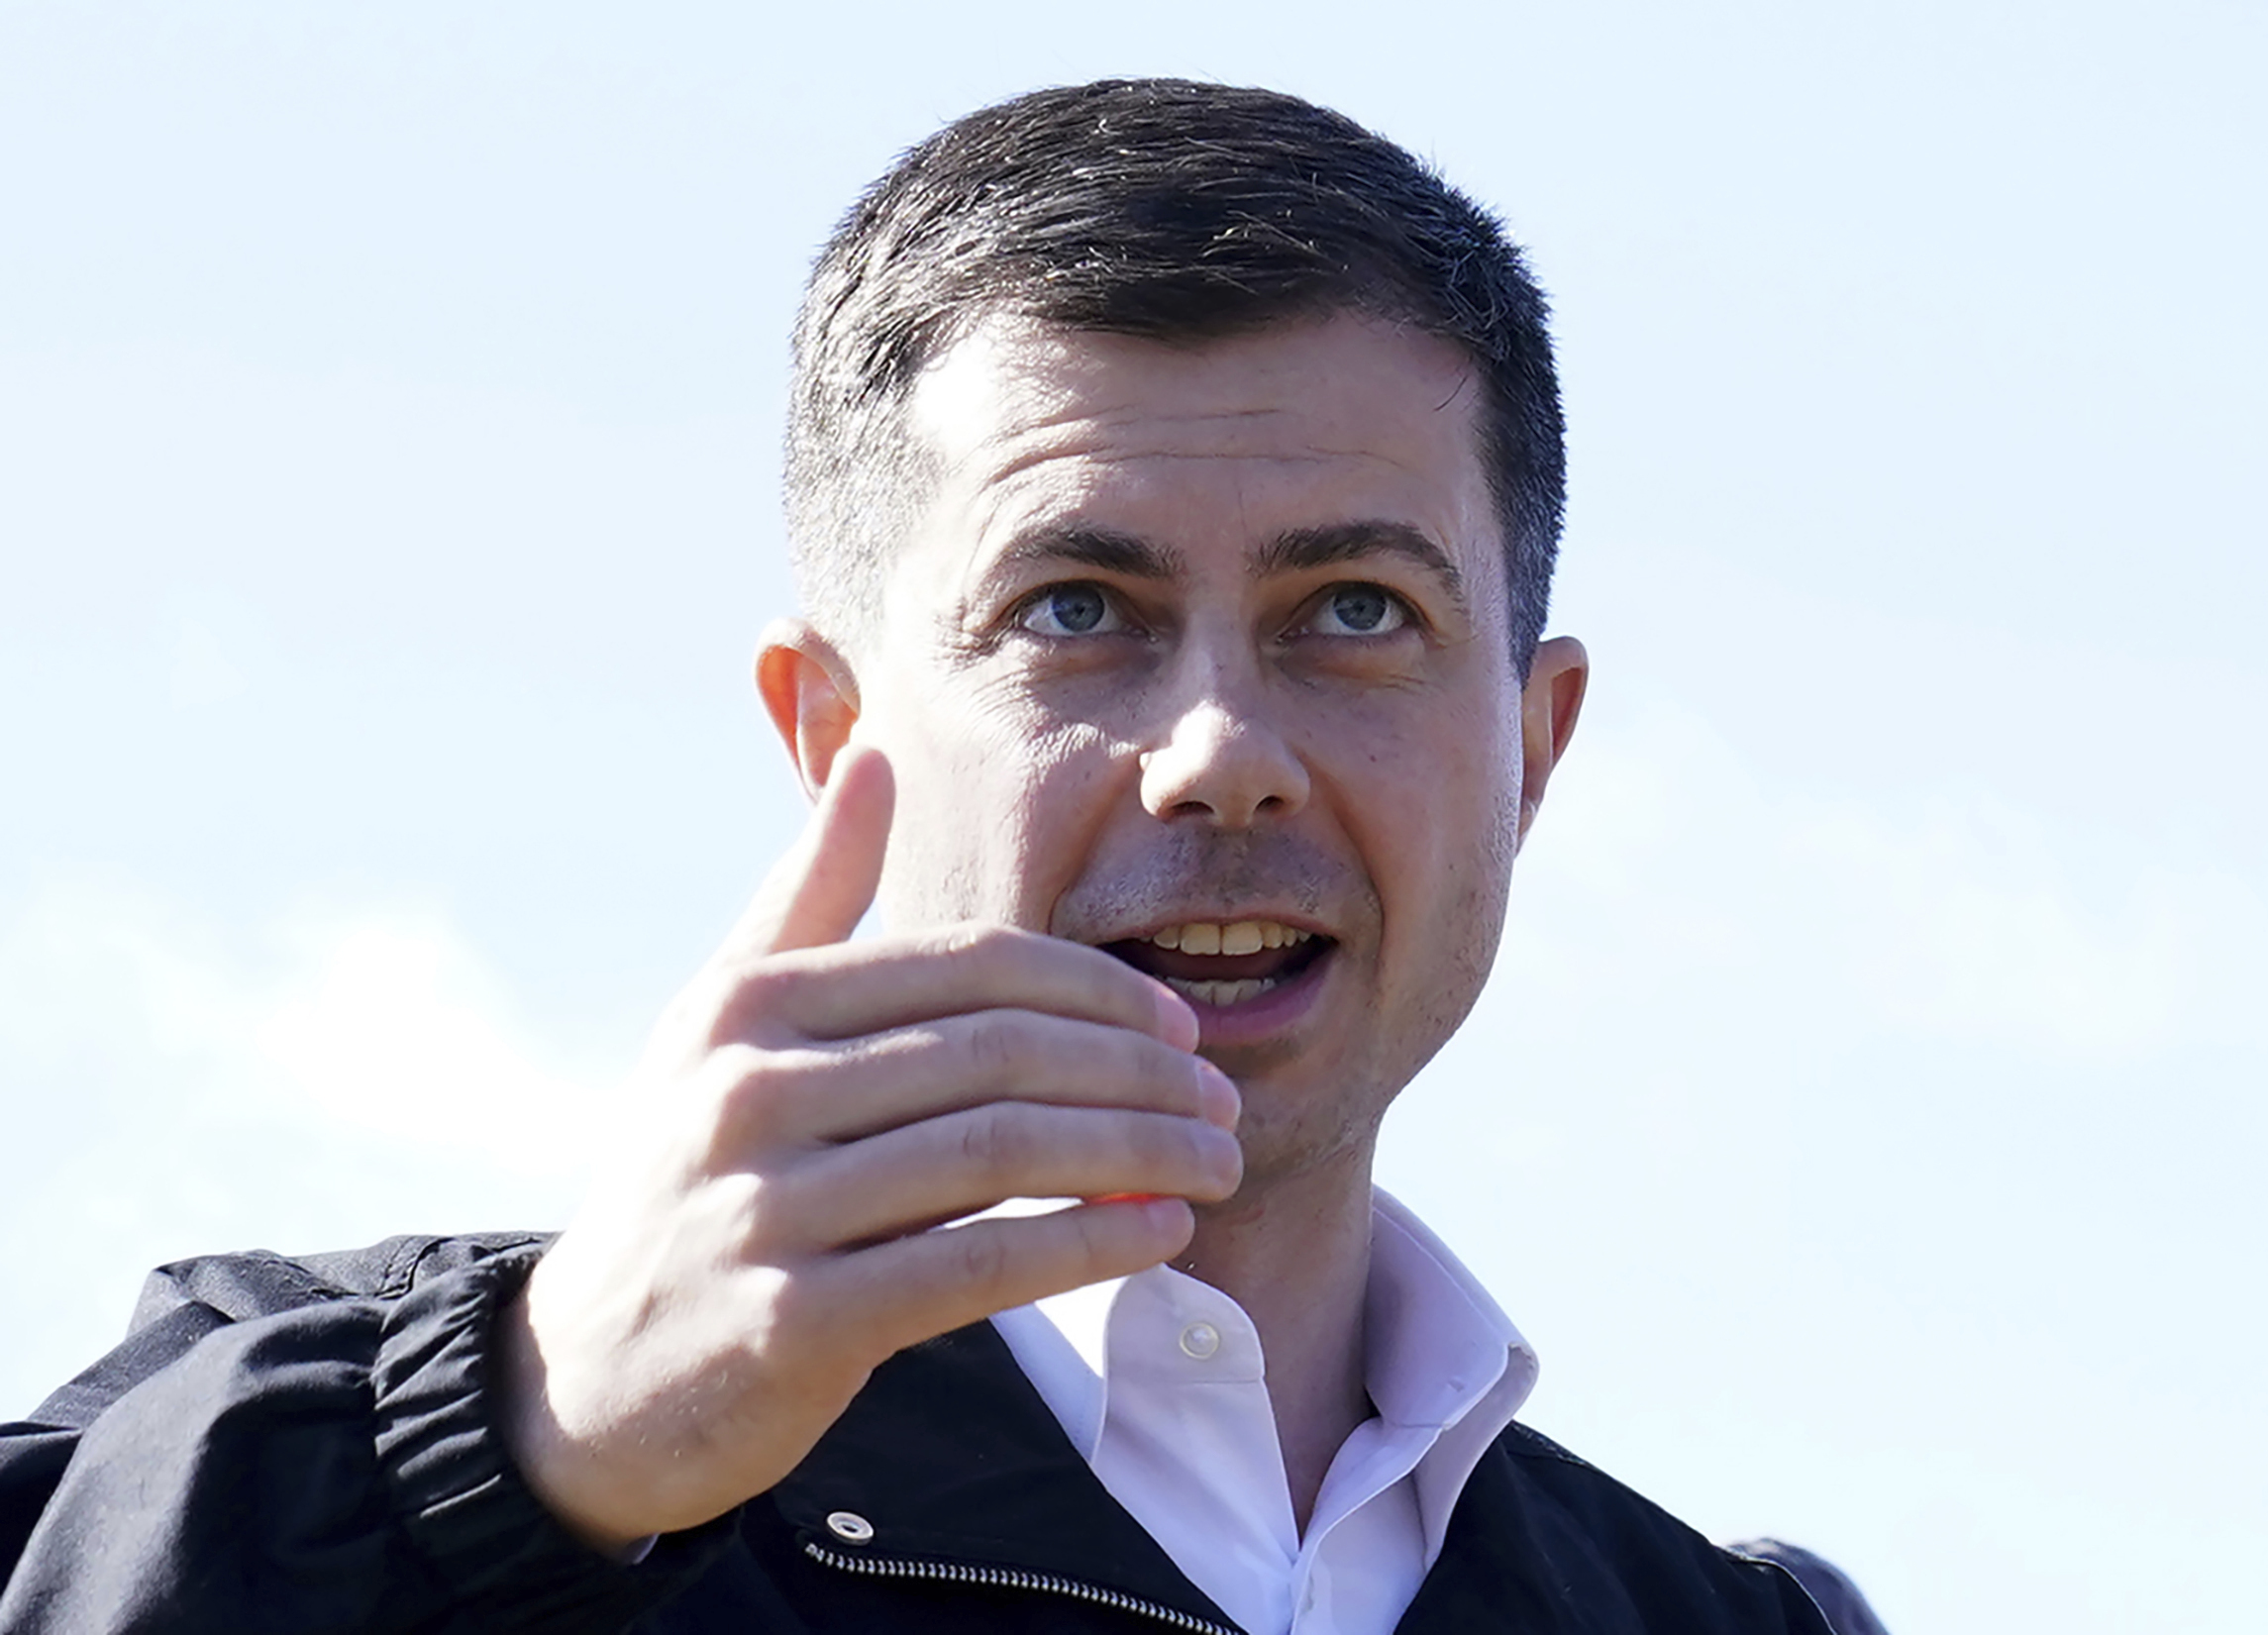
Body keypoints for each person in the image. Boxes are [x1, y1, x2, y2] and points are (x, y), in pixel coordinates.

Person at [0, 80, 1875, 1634]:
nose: (1221, 753)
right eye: (1076, 608)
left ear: (1532, 750)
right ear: (833, 735)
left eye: (1358, 611)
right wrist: (514, 1448)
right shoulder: (299, 1429)